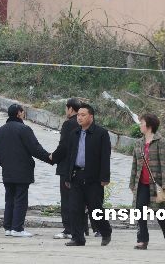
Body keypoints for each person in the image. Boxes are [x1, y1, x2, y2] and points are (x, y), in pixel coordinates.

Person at [0, 104, 52, 237]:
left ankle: (8, 228)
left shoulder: (0, 130)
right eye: (22, 112)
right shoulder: (24, 129)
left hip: (7, 171)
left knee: (9, 198)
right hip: (22, 171)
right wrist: (50, 158)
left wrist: (5, 164)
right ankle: (18, 228)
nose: (23, 114)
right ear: (19, 114)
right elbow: (35, 148)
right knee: (20, 199)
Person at [64, 103, 112, 247]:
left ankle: (106, 231)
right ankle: (78, 238)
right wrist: (67, 177)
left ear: (91, 117)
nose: (79, 117)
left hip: (94, 178)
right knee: (75, 208)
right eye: (78, 115)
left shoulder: (101, 133)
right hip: (76, 175)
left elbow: (105, 157)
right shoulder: (74, 133)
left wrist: (104, 178)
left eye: (83, 115)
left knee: (95, 208)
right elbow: (70, 156)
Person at [129, 113, 165, 250]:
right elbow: (134, 164)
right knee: (139, 211)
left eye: (141, 123)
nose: (140, 125)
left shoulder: (162, 142)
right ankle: (142, 240)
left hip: (157, 185)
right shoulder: (138, 143)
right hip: (141, 184)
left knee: (160, 212)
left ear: (149, 126)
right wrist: (132, 183)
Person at [50, 98, 81, 239]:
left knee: (67, 198)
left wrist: (53, 157)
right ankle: (80, 228)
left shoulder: (69, 124)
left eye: (66, 108)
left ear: (70, 109)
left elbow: (63, 146)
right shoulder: (84, 123)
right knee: (79, 198)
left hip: (67, 167)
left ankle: (68, 229)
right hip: (80, 167)